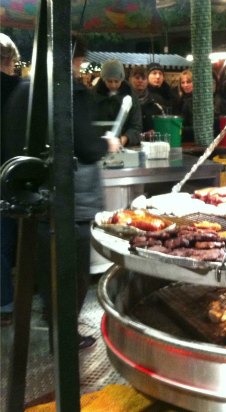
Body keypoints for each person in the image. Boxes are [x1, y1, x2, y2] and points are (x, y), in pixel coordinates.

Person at [5, 35, 120, 349]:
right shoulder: (70, 92)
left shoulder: (25, 89)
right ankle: (65, 337)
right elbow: (85, 146)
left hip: (37, 199)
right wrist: (107, 143)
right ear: (73, 59)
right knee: (73, 274)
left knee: (47, 268)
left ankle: (55, 326)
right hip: (73, 198)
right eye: (80, 60)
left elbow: (13, 143)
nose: (80, 67)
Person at [0, 32, 22, 327]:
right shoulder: (20, 89)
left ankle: (4, 300)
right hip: (17, 175)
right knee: (8, 240)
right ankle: (8, 300)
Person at [92, 59, 142, 146]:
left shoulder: (131, 96)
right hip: (98, 146)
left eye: (116, 81)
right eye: (109, 81)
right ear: (103, 79)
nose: (113, 85)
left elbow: (136, 126)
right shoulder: (92, 96)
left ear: (122, 79)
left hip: (123, 147)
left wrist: (125, 139)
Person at [129, 65, 166, 134]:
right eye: (137, 78)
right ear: (130, 79)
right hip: (129, 142)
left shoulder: (156, 100)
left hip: (152, 142)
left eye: (143, 78)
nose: (140, 80)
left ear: (147, 81)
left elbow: (163, 123)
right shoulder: (125, 100)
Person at [172, 69, 194, 143]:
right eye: (183, 82)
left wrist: (179, 128)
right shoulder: (181, 99)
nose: (185, 85)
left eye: (188, 82)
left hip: (191, 140)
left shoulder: (195, 100)